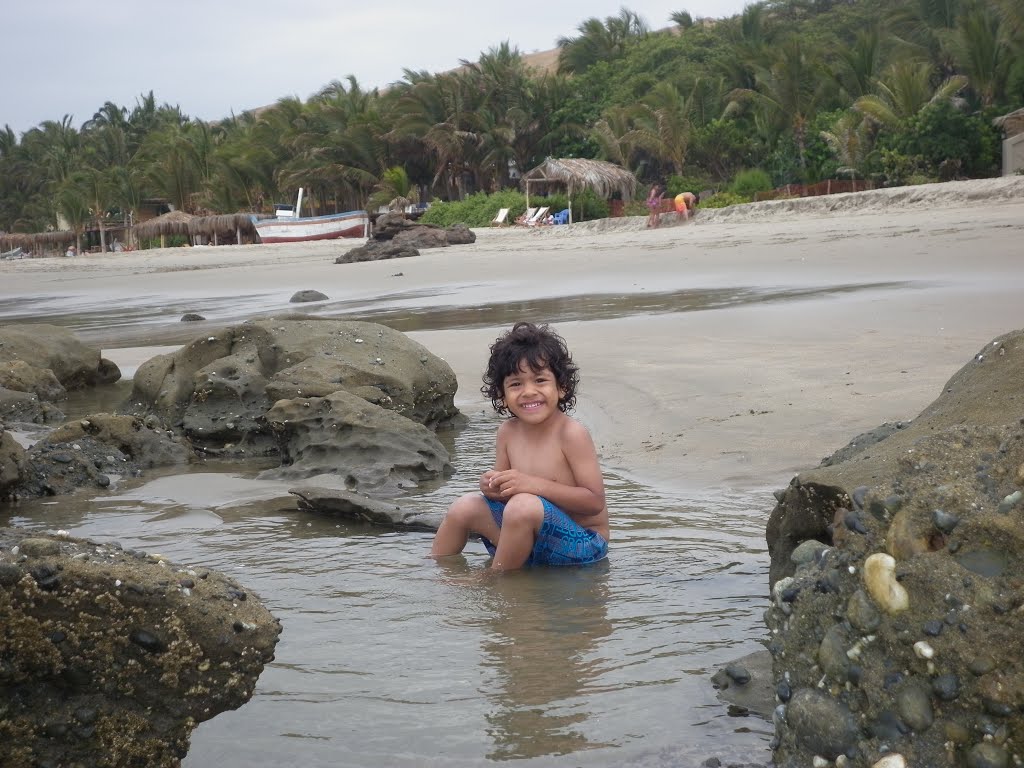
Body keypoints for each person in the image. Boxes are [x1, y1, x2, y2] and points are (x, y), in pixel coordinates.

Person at [430, 322, 609, 571]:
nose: (528, 392)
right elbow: (504, 496)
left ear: (562, 387)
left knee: (523, 503)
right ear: (501, 395)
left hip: (580, 546)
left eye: (540, 380)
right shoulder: (507, 432)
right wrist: (492, 486)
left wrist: (532, 485)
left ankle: (497, 580)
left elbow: (594, 502)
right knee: (465, 506)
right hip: (527, 541)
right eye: (516, 384)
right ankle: (433, 573)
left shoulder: (571, 434)